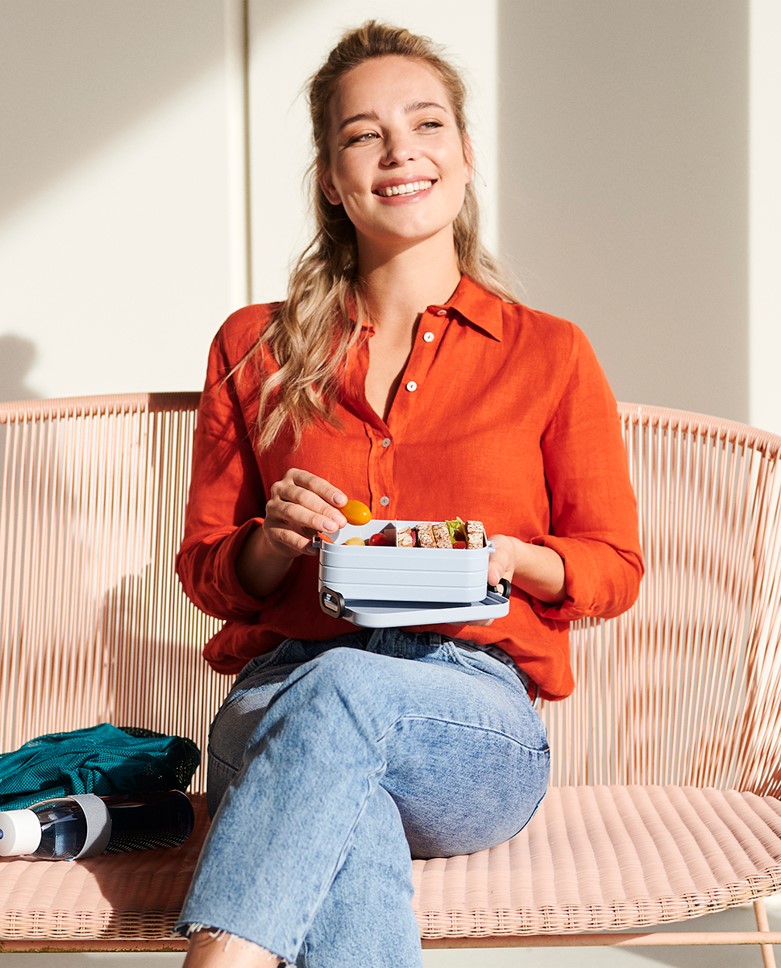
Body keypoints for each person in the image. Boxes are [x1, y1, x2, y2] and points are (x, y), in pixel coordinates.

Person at [172, 21, 643, 968]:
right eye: (363, 135)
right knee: (348, 809)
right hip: (279, 697)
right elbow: (207, 573)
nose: (399, 152)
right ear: (329, 178)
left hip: (468, 718)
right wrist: (272, 539)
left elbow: (613, 569)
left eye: (426, 124)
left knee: (346, 698)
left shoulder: (548, 353)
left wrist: (510, 558)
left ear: (463, 153)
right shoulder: (253, 347)